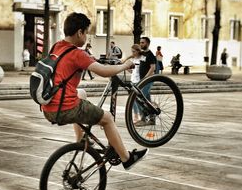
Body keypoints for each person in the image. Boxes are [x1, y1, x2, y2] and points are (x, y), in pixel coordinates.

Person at [41, 12, 148, 170]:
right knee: (107, 118)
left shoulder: (57, 46)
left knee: (82, 93)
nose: (86, 37)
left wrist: (97, 60)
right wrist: (125, 65)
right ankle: (126, 159)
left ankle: (81, 140)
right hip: (64, 108)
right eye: (86, 32)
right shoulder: (77, 53)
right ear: (80, 32)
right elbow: (104, 72)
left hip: (48, 106)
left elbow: (82, 63)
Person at [134, 36, 157, 127]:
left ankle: (143, 119)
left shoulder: (150, 54)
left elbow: (153, 68)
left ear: (147, 43)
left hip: (147, 80)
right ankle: (152, 119)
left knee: (140, 98)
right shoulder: (142, 54)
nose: (141, 44)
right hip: (142, 80)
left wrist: (145, 79)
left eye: (143, 42)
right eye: (140, 42)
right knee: (147, 100)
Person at [121, 44, 143, 123]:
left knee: (139, 100)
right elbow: (130, 70)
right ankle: (136, 115)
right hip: (133, 80)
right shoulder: (133, 59)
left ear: (138, 51)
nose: (132, 53)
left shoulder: (142, 58)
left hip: (140, 81)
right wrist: (127, 60)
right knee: (132, 99)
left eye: (134, 51)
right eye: (132, 51)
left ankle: (141, 115)